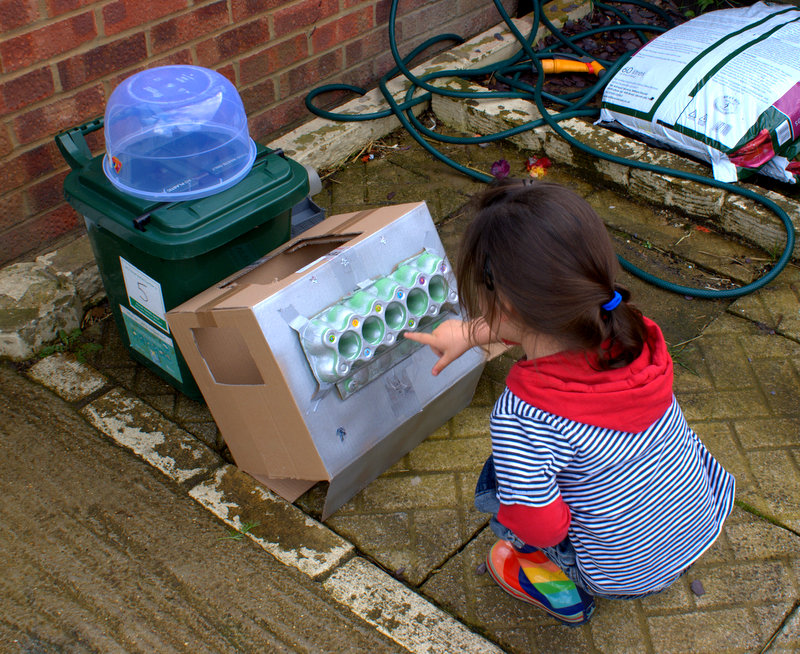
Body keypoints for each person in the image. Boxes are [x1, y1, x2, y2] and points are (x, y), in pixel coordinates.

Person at [404, 179, 735, 626]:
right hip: (700, 517)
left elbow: (543, 527)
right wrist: (469, 333)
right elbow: (529, 320)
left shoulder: (524, 416)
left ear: (502, 302)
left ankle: (565, 594)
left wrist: (530, 513)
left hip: (618, 573)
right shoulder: (636, 335)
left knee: (506, 495)